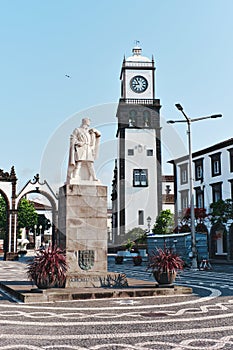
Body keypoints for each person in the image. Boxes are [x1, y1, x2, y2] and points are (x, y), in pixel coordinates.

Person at [67, 118, 101, 183]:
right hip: (81, 148)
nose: (87, 126)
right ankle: (75, 177)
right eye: (87, 125)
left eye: (88, 125)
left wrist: (95, 130)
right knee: (79, 163)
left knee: (90, 164)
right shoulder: (77, 130)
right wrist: (78, 143)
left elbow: (99, 134)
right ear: (83, 123)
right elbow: (72, 139)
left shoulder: (89, 131)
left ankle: (94, 178)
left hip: (88, 148)